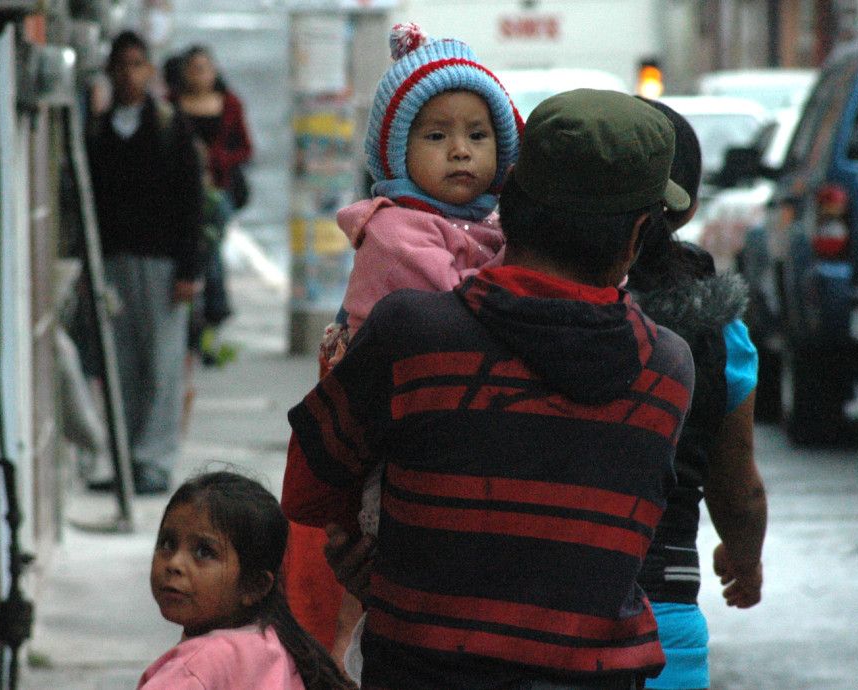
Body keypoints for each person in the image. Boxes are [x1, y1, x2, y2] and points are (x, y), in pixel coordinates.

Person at [282, 88, 695, 690]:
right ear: (635, 236)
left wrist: (383, 562)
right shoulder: (666, 370)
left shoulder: (411, 334)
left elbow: (308, 494)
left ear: (510, 196)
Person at [283, 21, 523, 658]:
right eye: (436, 135)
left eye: (478, 135)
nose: (461, 151)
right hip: (400, 439)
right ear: (395, 151)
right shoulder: (395, 233)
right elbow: (464, 310)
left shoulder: (493, 225)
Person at [628, 98, 768, 690]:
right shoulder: (715, 327)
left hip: (521, 628)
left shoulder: (497, 299)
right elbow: (735, 481)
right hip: (664, 622)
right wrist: (744, 556)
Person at [87, 31, 203, 494]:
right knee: (121, 363)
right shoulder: (97, 130)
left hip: (162, 265)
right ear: (110, 71)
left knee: (162, 363)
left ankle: (154, 460)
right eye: (121, 65)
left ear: (150, 70)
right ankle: (124, 460)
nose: (129, 74)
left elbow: (192, 201)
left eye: (137, 64)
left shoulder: (171, 127)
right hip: (113, 261)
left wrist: (190, 269)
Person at [137, 471, 357, 689]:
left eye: (204, 552)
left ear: (255, 585)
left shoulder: (191, 671)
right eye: (167, 544)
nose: (174, 564)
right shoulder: (273, 646)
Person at [175, 45, 253, 361]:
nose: (200, 74)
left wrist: (217, 160)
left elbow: (245, 149)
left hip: (218, 189)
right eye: (193, 68)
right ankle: (207, 315)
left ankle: (213, 312)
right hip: (182, 192)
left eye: (205, 67)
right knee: (200, 248)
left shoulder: (229, 104)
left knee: (210, 244)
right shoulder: (173, 105)